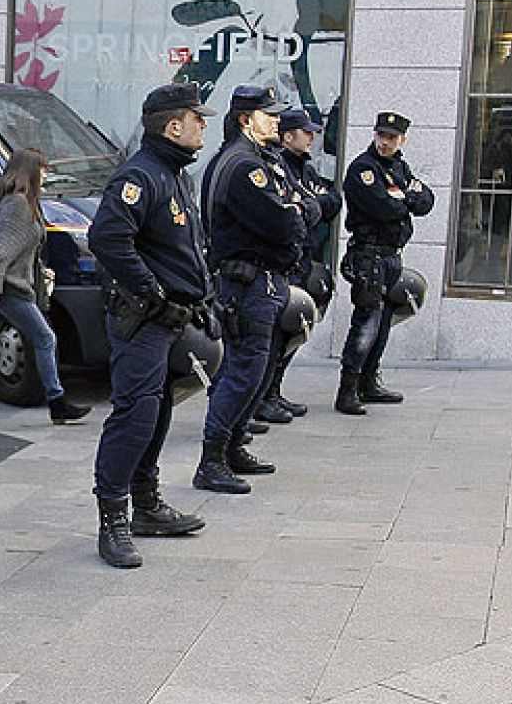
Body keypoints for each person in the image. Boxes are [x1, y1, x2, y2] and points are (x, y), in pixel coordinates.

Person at [85, 83, 216, 568]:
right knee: (135, 415)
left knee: (157, 412)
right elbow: (107, 240)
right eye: (196, 117)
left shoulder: (175, 174)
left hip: (173, 320)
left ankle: (146, 503)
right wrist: (152, 293)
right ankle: (113, 519)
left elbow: (183, 248)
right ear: (172, 125)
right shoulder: (140, 176)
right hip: (144, 321)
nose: (204, 124)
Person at [197, 85, 313, 494]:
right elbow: (287, 223)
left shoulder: (260, 160)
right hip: (248, 282)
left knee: (253, 370)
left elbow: (309, 205)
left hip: (262, 280)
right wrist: (295, 213)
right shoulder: (245, 166)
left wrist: (297, 210)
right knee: (243, 373)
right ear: (246, 119)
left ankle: (230, 448)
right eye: (269, 114)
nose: (278, 120)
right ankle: (212, 460)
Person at [0, 147, 91, 429]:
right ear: (30, 172)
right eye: (43, 170)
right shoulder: (18, 205)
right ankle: (57, 402)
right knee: (45, 338)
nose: (46, 176)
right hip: (8, 290)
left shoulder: (14, 201)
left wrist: (35, 270)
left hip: (0, 286)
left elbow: (16, 248)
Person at [335, 111, 435, 415]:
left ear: (402, 139)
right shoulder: (363, 169)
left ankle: (369, 380)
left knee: (383, 323)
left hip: (391, 256)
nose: (385, 142)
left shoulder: (399, 167)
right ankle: (348, 389)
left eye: (391, 138)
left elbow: (427, 200)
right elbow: (384, 207)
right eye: (381, 136)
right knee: (366, 322)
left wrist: (403, 198)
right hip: (369, 255)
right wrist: (406, 200)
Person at [254, 109, 343, 423]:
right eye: (306, 133)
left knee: (291, 333)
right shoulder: (278, 167)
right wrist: (312, 205)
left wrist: (311, 205)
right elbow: (299, 209)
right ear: (288, 136)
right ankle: (261, 398)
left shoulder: (304, 169)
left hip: (302, 259)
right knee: (276, 334)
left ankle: (273, 392)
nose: (312, 138)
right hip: (284, 264)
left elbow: (329, 203)